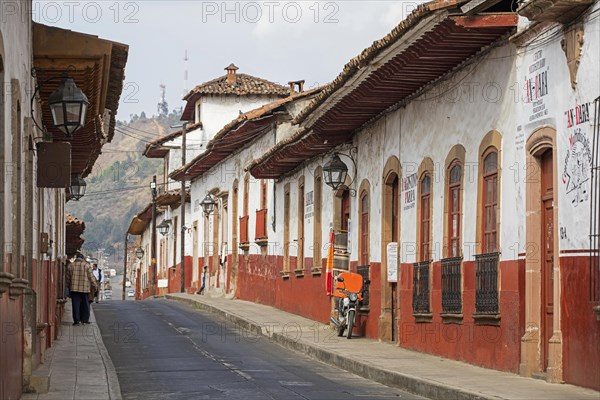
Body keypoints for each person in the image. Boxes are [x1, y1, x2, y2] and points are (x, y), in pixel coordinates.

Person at [66, 252, 97, 326]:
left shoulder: (71, 265)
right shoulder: (86, 265)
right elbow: (91, 277)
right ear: (82, 258)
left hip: (74, 288)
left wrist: (68, 286)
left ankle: (76, 320)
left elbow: (68, 278)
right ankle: (84, 319)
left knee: (75, 304)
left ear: (76, 258)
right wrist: (95, 285)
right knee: (85, 304)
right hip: (85, 288)